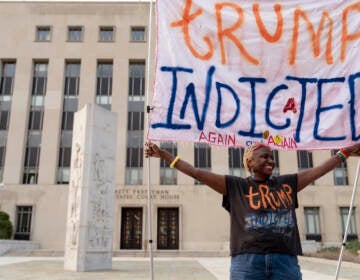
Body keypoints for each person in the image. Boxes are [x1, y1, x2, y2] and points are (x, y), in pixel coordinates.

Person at [144, 141, 360, 280]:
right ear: (249, 161)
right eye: (264, 156)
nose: (270, 160)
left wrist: (345, 153)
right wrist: (163, 155)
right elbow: (197, 173)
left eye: (271, 157)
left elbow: (318, 171)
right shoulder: (235, 186)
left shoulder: (288, 183)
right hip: (247, 263)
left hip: (285, 261)